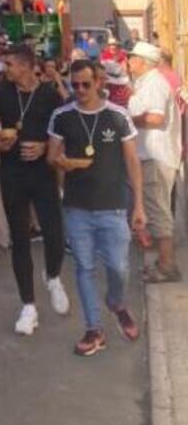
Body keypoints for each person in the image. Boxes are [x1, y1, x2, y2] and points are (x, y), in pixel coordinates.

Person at [47, 60, 145, 356]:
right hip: (77, 207)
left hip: (114, 206)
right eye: (74, 85)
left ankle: (116, 302)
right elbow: (52, 156)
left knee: (119, 266)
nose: (79, 90)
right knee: (84, 268)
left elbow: (132, 161)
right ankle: (94, 329)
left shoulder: (118, 116)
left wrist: (139, 204)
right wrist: (61, 162)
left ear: (99, 81)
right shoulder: (62, 115)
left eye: (85, 84)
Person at [0, 45, 70, 334]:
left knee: (54, 231)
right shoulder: (0, 95)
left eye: (9, 64)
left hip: (44, 173)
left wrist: (46, 146)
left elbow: (63, 134)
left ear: (25, 66)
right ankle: (28, 306)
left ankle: (53, 275)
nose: (4, 69)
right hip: (12, 172)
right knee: (19, 238)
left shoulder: (49, 95)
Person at [128, 41, 183, 282]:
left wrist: (128, 121)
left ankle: (168, 267)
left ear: (142, 61)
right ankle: (163, 262)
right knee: (156, 209)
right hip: (153, 156)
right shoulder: (148, 82)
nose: (128, 62)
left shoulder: (153, 83)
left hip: (156, 157)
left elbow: (155, 117)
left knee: (159, 212)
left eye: (131, 58)